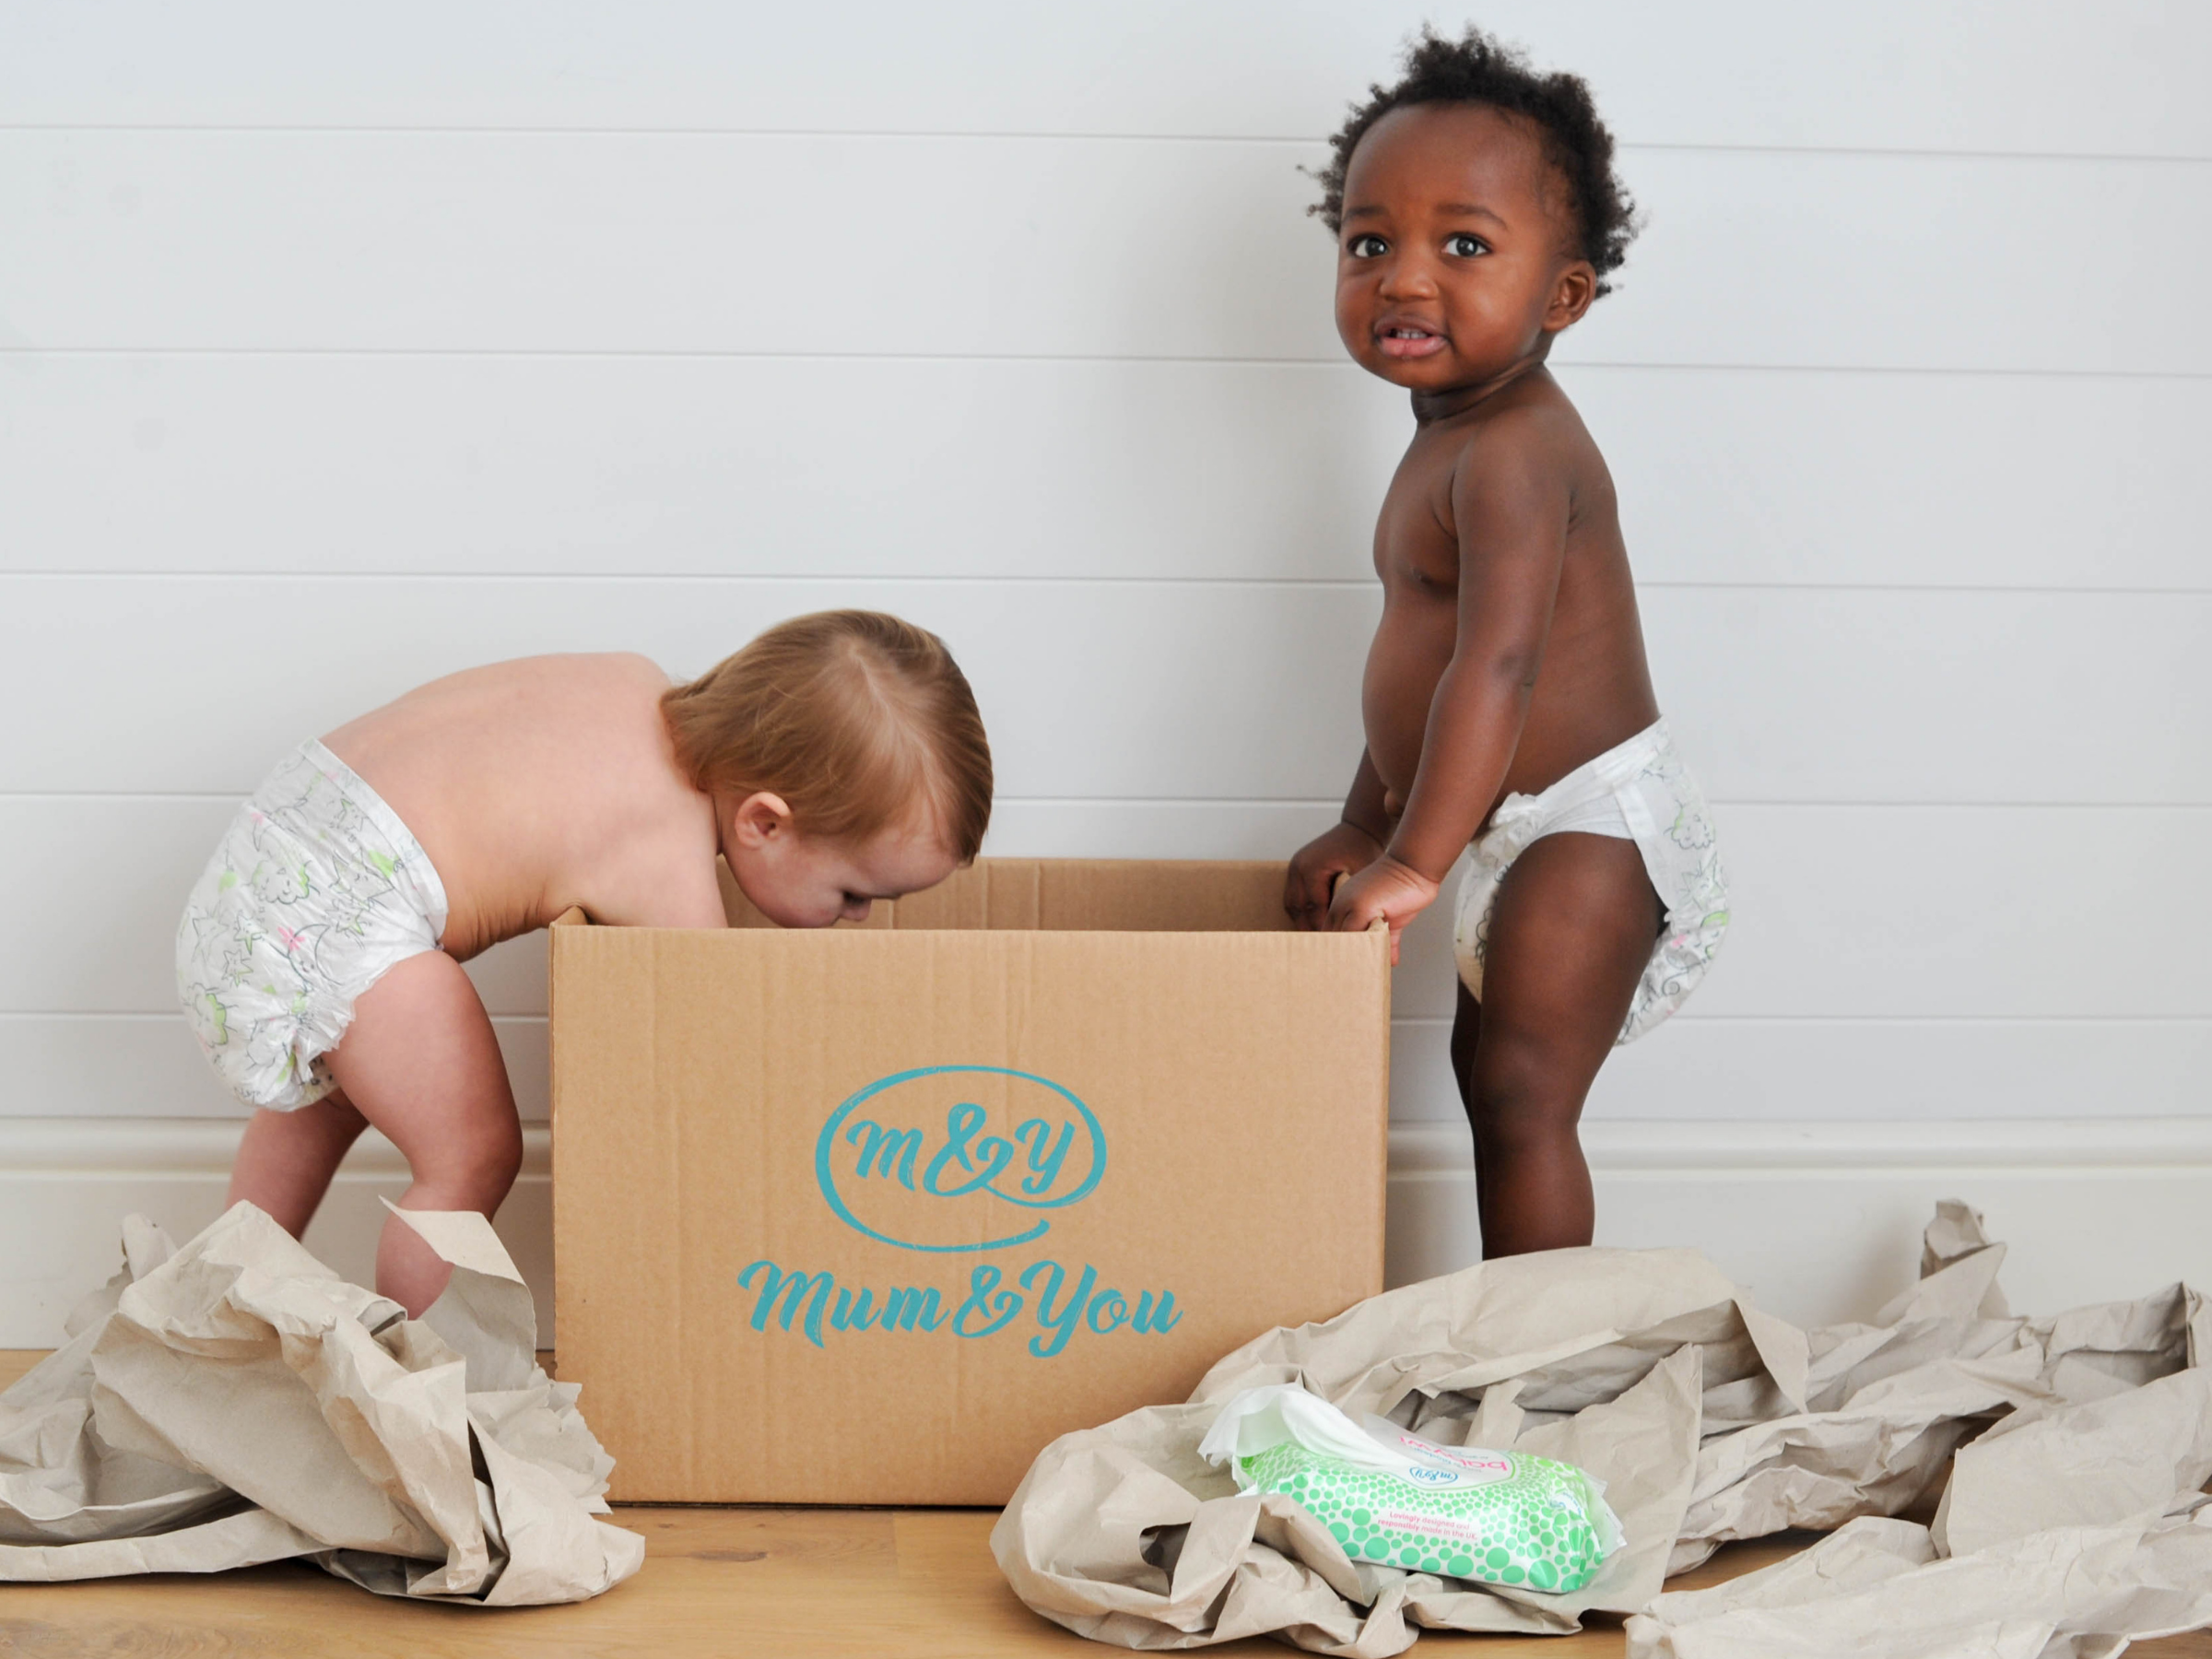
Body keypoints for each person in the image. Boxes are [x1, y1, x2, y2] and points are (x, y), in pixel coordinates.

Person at [176, 610, 992, 1312]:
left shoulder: (635, 682)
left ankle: (215, 1293)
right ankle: (412, 1383)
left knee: (337, 1092)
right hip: (342, 911)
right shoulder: (664, 868)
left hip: (272, 860)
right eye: (852, 895)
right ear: (764, 824)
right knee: (472, 1155)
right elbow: (727, 1055)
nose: (855, 921)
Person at [1285, 29, 1729, 1257]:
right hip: (1511, 821)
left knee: (1527, 1096)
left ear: (1563, 296)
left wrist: (1414, 861)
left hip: (1589, 824)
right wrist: (1366, 820)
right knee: (1491, 1084)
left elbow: (1498, 669)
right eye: (1371, 243)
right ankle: (1515, 1335)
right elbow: (1420, 674)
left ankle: (1555, 1369)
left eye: (1463, 245)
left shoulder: (1521, 448)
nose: (1405, 279)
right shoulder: (1447, 435)